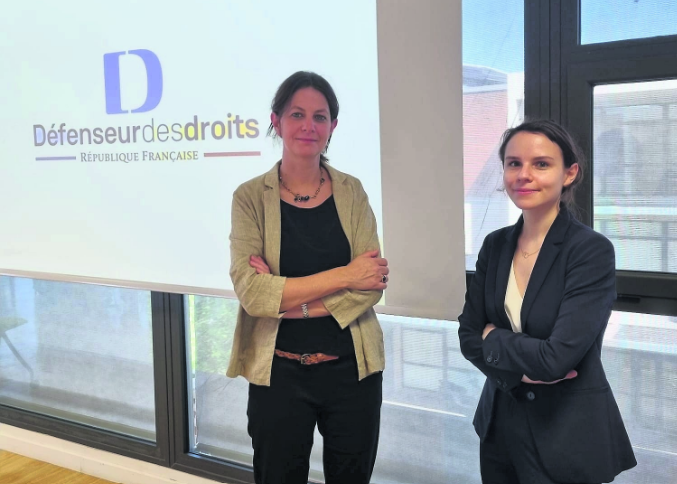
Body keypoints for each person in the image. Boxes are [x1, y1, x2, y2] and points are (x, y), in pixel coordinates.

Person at [226, 71, 387, 484]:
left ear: (333, 126)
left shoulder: (352, 192)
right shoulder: (250, 198)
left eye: (320, 116)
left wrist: (288, 302)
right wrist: (345, 274)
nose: (308, 125)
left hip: (352, 372)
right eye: (297, 114)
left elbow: (370, 284)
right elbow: (253, 294)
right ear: (276, 121)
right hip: (278, 374)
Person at [458, 119, 637, 484]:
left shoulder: (589, 251)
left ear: (569, 173)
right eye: (514, 163)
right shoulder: (495, 245)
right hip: (499, 428)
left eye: (541, 164)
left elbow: (556, 360)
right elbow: (467, 336)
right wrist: (519, 369)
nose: (524, 175)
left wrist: (494, 338)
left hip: (565, 435)